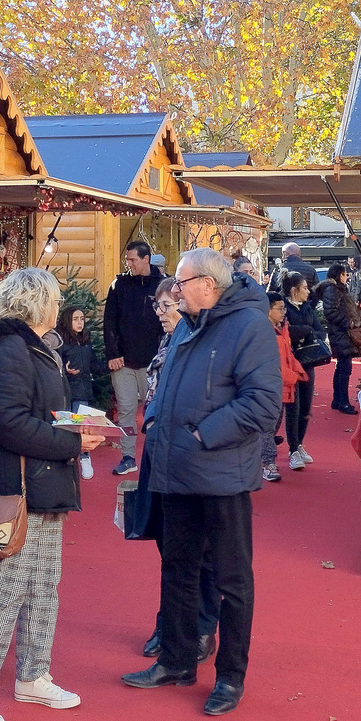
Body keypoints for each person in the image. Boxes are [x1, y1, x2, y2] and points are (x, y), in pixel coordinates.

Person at [122, 248, 281, 717]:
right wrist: (154, 418)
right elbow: (165, 384)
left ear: (207, 285)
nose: (173, 288)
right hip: (176, 472)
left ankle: (230, 677)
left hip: (222, 475)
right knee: (177, 568)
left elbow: (263, 404)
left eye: (181, 280)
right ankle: (176, 661)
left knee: (232, 580)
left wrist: (201, 435)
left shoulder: (249, 328)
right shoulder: (188, 325)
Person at [0, 269, 105, 721]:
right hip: (19, 484)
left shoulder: (25, 345)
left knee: (43, 585)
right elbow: (10, 423)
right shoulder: (9, 348)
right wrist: (72, 442)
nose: (59, 307)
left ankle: (34, 674)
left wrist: (69, 427)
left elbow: (25, 414)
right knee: (7, 588)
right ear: (42, 305)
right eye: (55, 300)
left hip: (40, 483)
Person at [139, 277, 221, 661]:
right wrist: (151, 422)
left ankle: (203, 628)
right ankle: (169, 623)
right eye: (157, 307)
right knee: (168, 546)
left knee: (199, 551)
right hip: (160, 452)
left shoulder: (196, 341)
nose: (160, 314)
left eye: (167, 307)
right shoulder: (167, 341)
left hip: (191, 455)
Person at [103, 240, 164, 476]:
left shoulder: (162, 285)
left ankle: (156, 459)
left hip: (153, 363)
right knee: (126, 411)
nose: (129, 264)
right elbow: (109, 321)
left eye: (133, 260)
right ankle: (128, 457)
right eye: (127, 260)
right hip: (124, 361)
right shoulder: (119, 285)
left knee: (154, 411)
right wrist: (112, 354)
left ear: (146, 259)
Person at [281, 271, 326, 470]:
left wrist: (305, 333)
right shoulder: (282, 307)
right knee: (293, 406)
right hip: (290, 364)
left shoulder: (308, 307)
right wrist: (305, 332)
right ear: (294, 290)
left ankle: (299, 444)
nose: (308, 291)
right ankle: (292, 449)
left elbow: (320, 330)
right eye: (305, 288)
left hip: (308, 362)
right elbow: (285, 332)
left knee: (306, 408)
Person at [261, 292, 307, 483]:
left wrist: (297, 372)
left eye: (283, 308)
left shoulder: (281, 328)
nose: (283, 312)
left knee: (273, 425)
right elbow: (271, 363)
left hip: (283, 385)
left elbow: (287, 356)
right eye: (279, 308)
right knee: (267, 427)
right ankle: (267, 463)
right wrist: (292, 376)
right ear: (267, 309)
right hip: (269, 386)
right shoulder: (263, 332)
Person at [56, 305, 97, 479]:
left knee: (83, 426)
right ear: (67, 320)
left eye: (82, 319)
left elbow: (94, 364)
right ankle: (66, 460)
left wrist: (112, 365)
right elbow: (53, 366)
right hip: (65, 391)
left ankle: (85, 458)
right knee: (67, 426)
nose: (80, 323)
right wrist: (64, 371)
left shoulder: (86, 341)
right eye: (75, 319)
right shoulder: (60, 342)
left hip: (83, 391)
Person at [315, 263, 361, 415]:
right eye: (344, 274)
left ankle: (338, 400)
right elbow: (330, 311)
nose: (347, 277)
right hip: (341, 333)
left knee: (342, 367)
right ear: (339, 275)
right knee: (344, 368)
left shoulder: (336, 289)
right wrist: (348, 322)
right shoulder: (333, 289)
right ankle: (343, 401)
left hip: (341, 333)